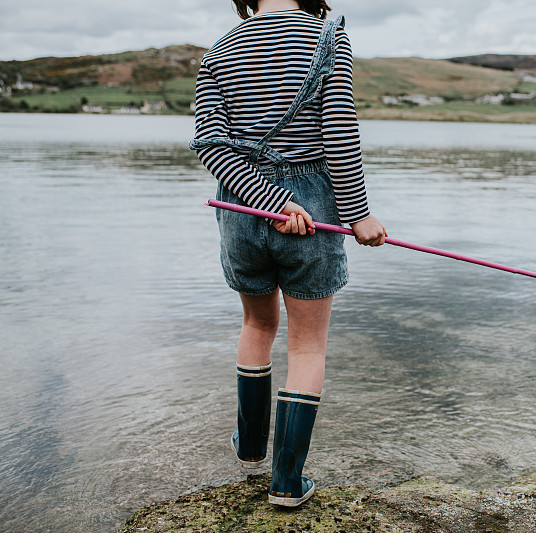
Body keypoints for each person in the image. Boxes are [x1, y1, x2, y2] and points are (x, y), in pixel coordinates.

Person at [190, 0, 386, 507]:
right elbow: (339, 132)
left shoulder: (219, 49)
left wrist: (264, 202)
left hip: (240, 209)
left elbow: (210, 144)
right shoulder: (326, 36)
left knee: (257, 326)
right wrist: (358, 214)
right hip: (312, 210)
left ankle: (251, 446)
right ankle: (286, 482)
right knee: (306, 347)